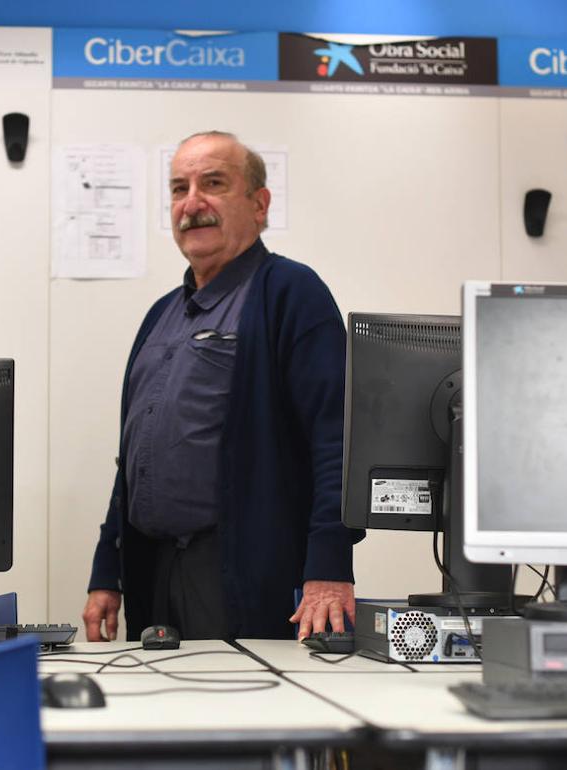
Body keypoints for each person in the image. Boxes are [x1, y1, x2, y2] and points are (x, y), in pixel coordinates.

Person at [82, 131, 364, 642]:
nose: (192, 204)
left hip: (241, 572)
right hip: (152, 571)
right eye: (179, 188)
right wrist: (108, 569)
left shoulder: (290, 293)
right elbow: (134, 458)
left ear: (259, 205)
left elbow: (337, 438)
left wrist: (329, 564)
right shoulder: (160, 316)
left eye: (213, 183)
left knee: (247, 694)